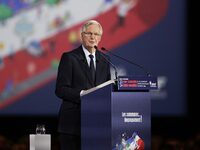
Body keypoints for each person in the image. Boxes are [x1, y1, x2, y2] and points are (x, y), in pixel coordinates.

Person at [55, 20, 111, 150]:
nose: (93, 37)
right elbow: (60, 89)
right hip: (72, 125)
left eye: (96, 34)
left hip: (97, 125)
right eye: (89, 33)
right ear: (82, 36)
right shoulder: (69, 58)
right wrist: (83, 95)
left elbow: (107, 89)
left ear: (100, 38)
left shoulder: (105, 61)